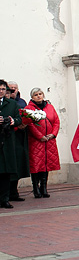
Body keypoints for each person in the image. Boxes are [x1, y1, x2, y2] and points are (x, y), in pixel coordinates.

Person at [26, 88, 60, 198]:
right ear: (32, 97)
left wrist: (53, 134)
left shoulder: (50, 107)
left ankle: (44, 188)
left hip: (49, 140)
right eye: (36, 94)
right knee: (36, 165)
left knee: (46, 164)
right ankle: (36, 188)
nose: (38, 96)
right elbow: (30, 124)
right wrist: (40, 136)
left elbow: (56, 121)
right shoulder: (29, 108)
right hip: (36, 141)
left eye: (40, 94)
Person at [0, 80, 24, 208]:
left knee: (6, 172)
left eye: (3, 89)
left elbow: (19, 119)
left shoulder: (12, 104)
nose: (1, 91)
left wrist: (12, 121)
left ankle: (5, 198)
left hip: (8, 140)